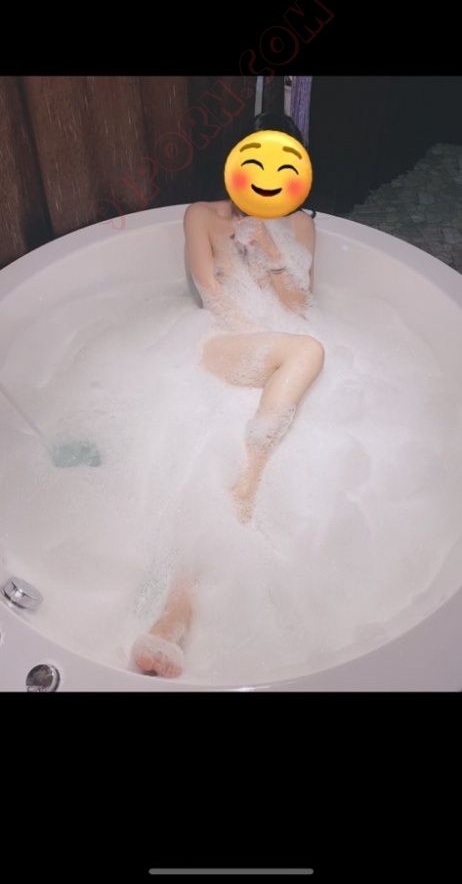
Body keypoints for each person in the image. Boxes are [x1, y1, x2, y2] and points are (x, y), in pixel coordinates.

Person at [132, 112, 325, 677]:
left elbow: (299, 307)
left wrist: (271, 249)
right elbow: (211, 292)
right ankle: (249, 479)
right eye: (257, 160)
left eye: (283, 165)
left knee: (204, 461)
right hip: (219, 346)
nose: (268, 177)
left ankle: (176, 613)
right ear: (235, 163)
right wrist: (256, 339)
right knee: (308, 352)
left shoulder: (300, 225)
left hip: (271, 356)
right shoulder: (202, 216)